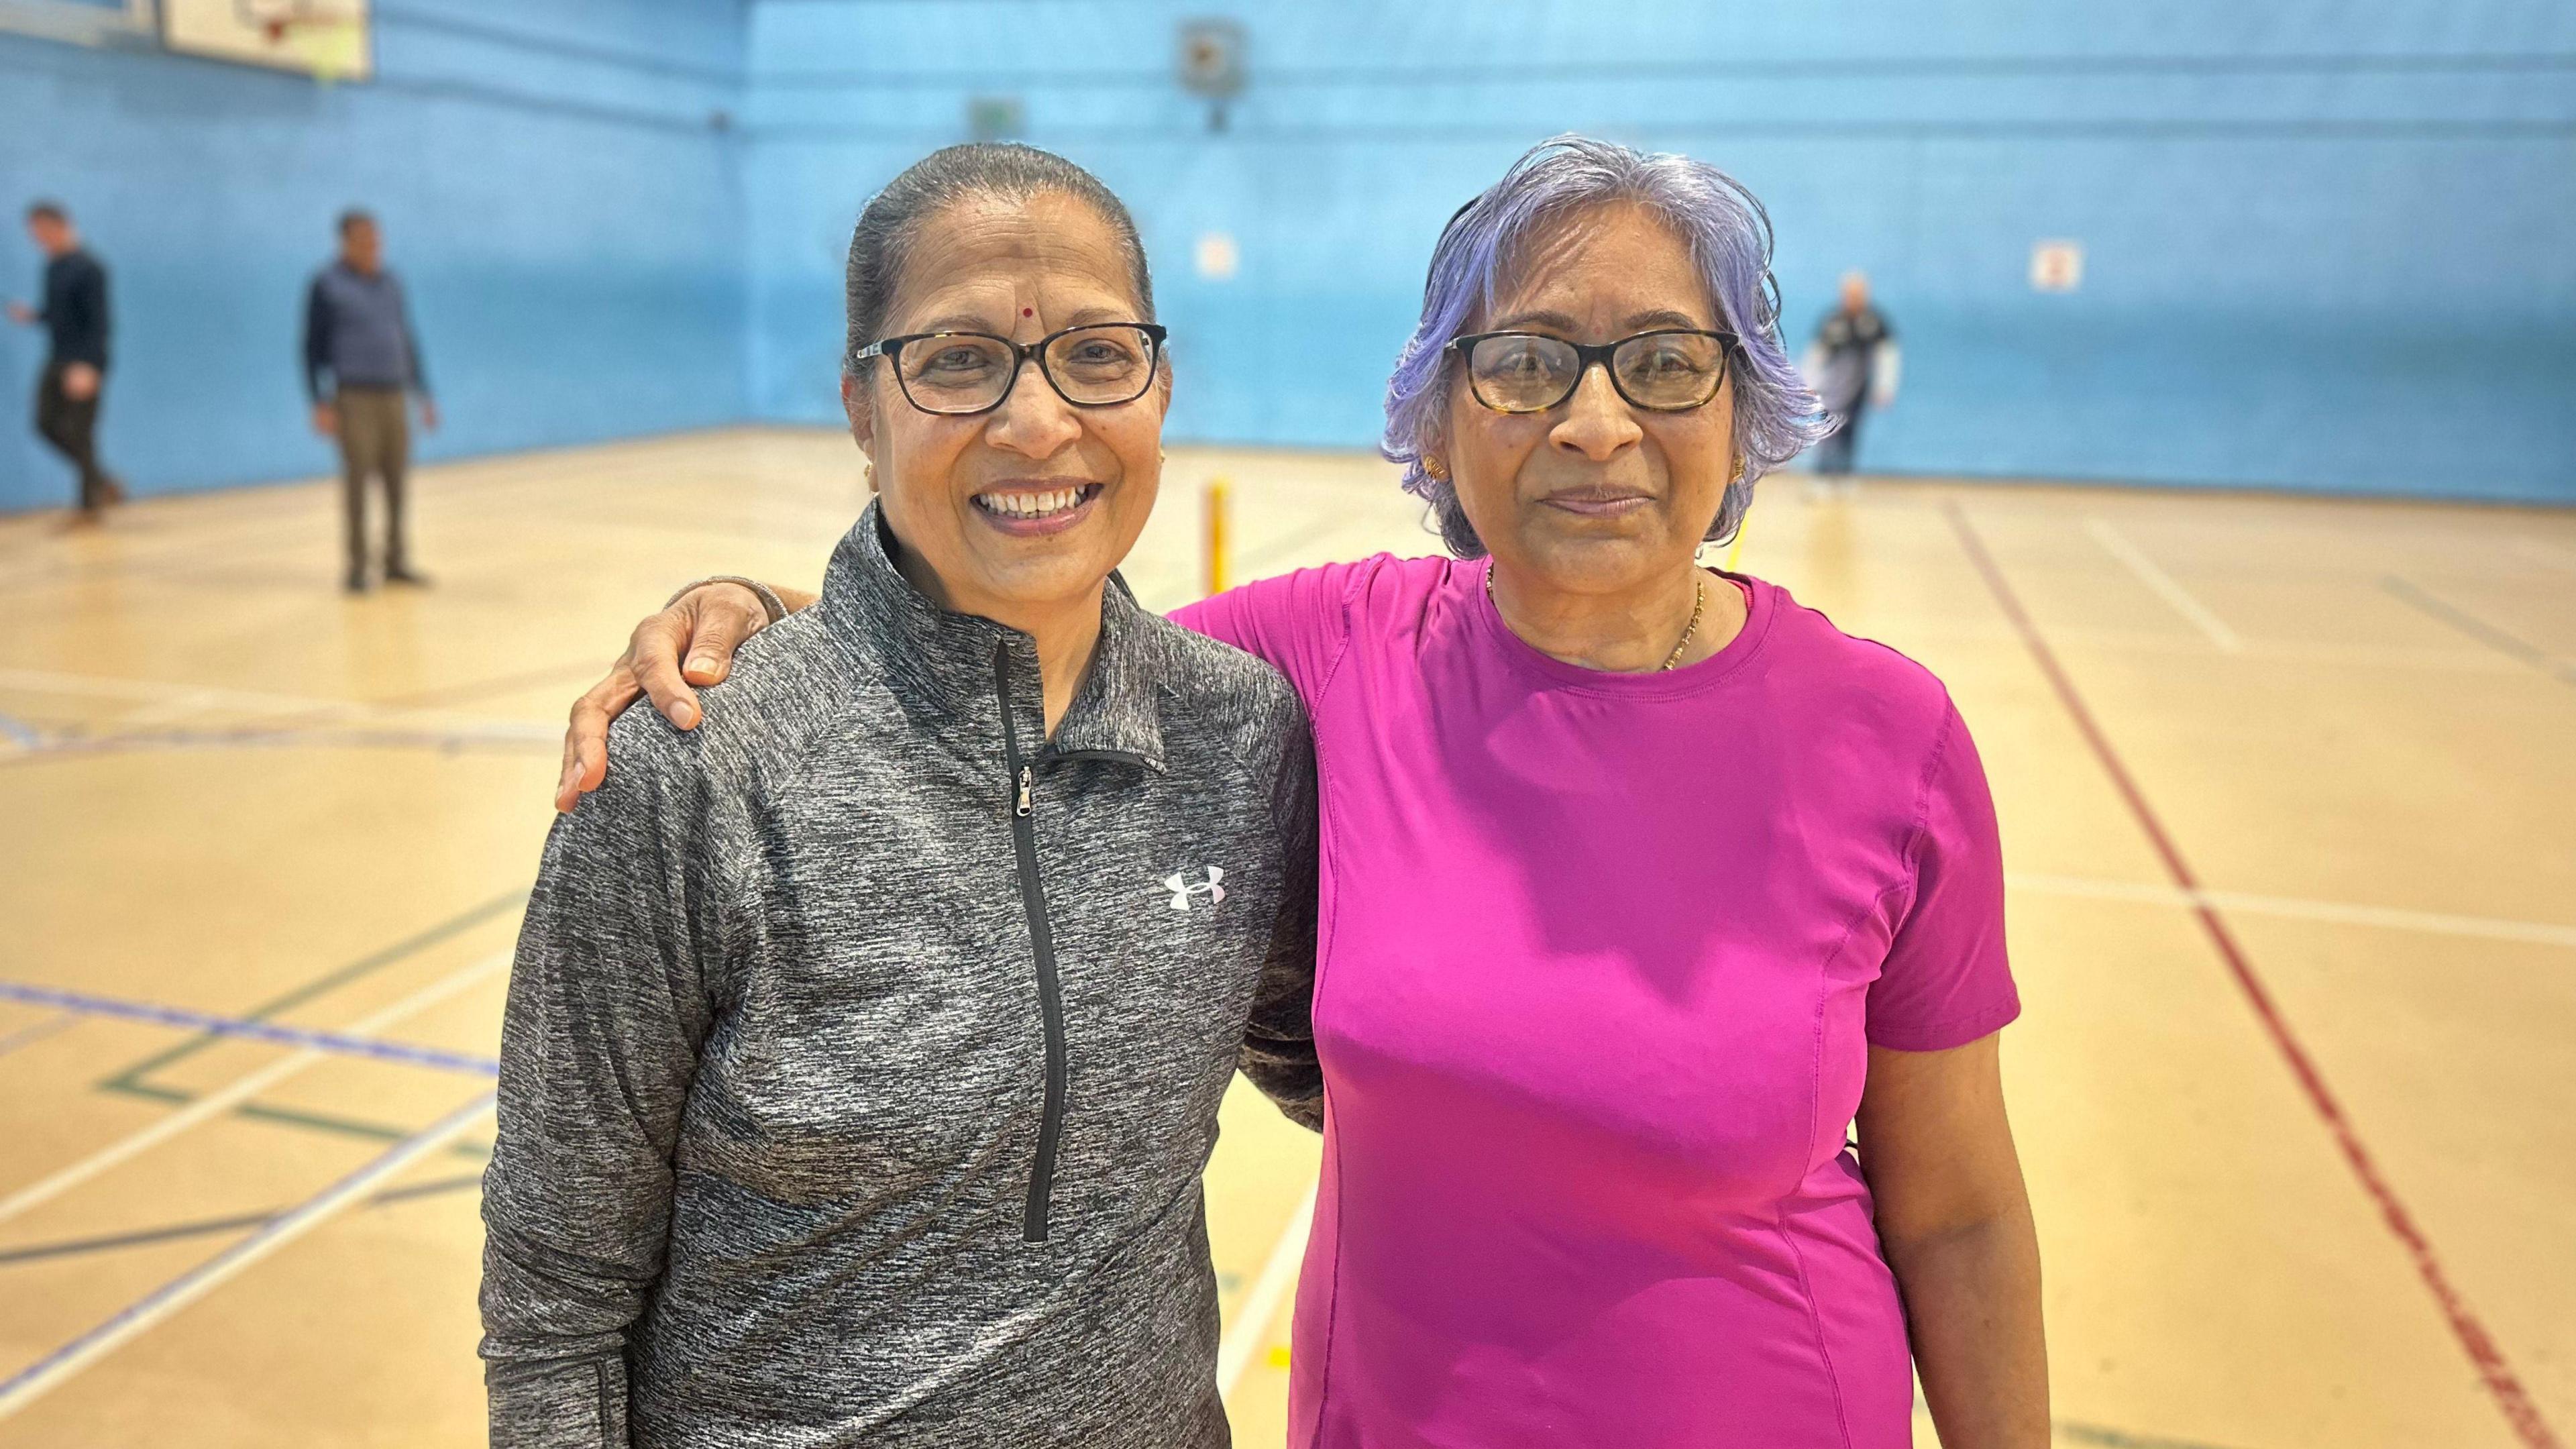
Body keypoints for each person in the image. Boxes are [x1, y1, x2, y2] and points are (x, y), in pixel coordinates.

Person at [555, 136, 2047, 1446]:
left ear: (1742, 411)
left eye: (1664, 363)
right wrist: (759, 611)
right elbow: (1019, 626)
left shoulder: (1884, 735)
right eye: (1526, 364)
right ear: (1445, 420)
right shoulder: (1338, 652)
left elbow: (1962, 1210)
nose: (1596, 425)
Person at [478, 143, 1323, 1449]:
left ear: (1160, 386)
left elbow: (1353, 1068)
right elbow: (556, 1308)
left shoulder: (1240, 737)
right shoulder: (692, 768)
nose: (1038, 423)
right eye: (957, 359)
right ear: (861, 410)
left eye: (1097, 355)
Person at [304, 209, 437, 592]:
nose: (371, 247)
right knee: (358, 483)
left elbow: (407, 339)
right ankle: (357, 568)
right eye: (363, 239)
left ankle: (395, 561)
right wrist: (319, 401)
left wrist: (423, 393)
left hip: (394, 394)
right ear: (345, 242)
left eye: (375, 239)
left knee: (397, 480)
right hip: (354, 396)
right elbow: (310, 346)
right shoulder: (326, 284)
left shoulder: (391, 283)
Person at [7, 201, 123, 521]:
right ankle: (101, 480)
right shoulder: (53, 267)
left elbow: (100, 323)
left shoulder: (90, 268)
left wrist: (89, 366)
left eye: (42, 231)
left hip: (84, 361)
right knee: (45, 424)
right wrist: (35, 316)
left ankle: (89, 509)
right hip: (57, 358)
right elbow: (61, 315)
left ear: (60, 226)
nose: (38, 238)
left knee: (81, 432)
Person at [1803, 269, 1899, 480]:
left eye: (1858, 294)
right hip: (1831, 392)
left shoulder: (1874, 322)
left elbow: (1888, 357)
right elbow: (1816, 355)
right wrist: (1809, 383)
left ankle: (1844, 476)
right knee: (1827, 430)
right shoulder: (1832, 321)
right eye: (1850, 294)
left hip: (1858, 391)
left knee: (1851, 432)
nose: (1853, 299)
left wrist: (1885, 387)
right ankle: (1821, 476)